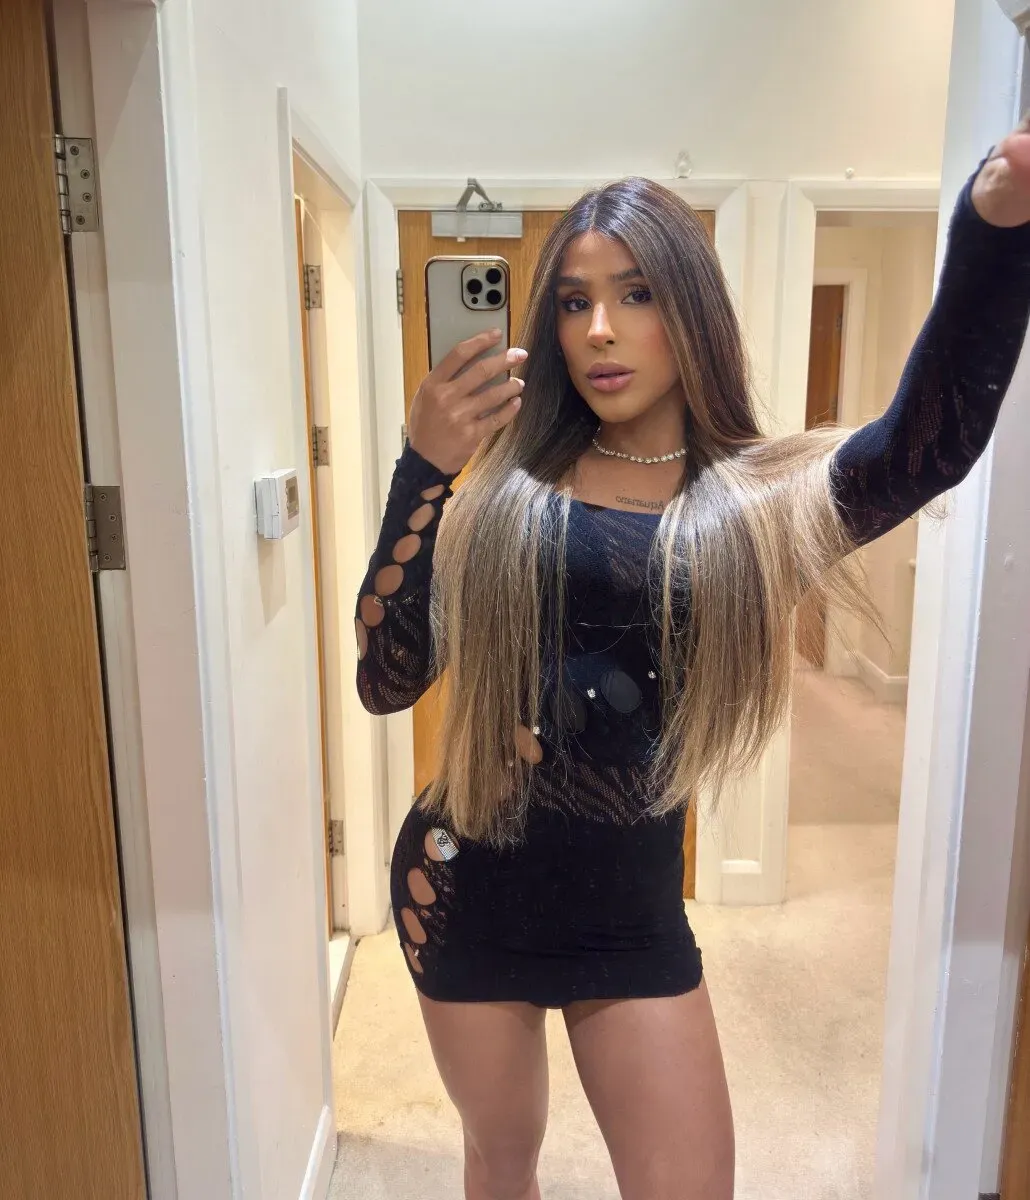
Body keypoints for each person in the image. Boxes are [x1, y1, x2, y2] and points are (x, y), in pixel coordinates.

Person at [354, 122, 1030, 1200]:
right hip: (462, 877)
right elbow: (386, 680)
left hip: (629, 909)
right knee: (499, 1159)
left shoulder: (753, 508)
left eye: (636, 294)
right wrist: (424, 468)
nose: (600, 330)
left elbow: (929, 444)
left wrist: (993, 229)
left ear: (691, 311)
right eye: (573, 302)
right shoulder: (503, 493)